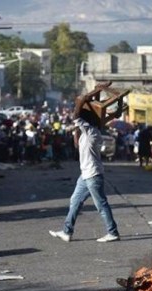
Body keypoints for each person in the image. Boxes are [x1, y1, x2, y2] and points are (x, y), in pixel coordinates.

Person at [49, 87, 121, 243]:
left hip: (93, 175)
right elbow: (76, 144)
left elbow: (76, 112)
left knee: (101, 205)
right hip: (86, 174)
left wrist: (88, 96)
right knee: (75, 201)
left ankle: (112, 232)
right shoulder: (89, 133)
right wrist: (76, 129)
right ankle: (67, 231)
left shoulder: (90, 132)